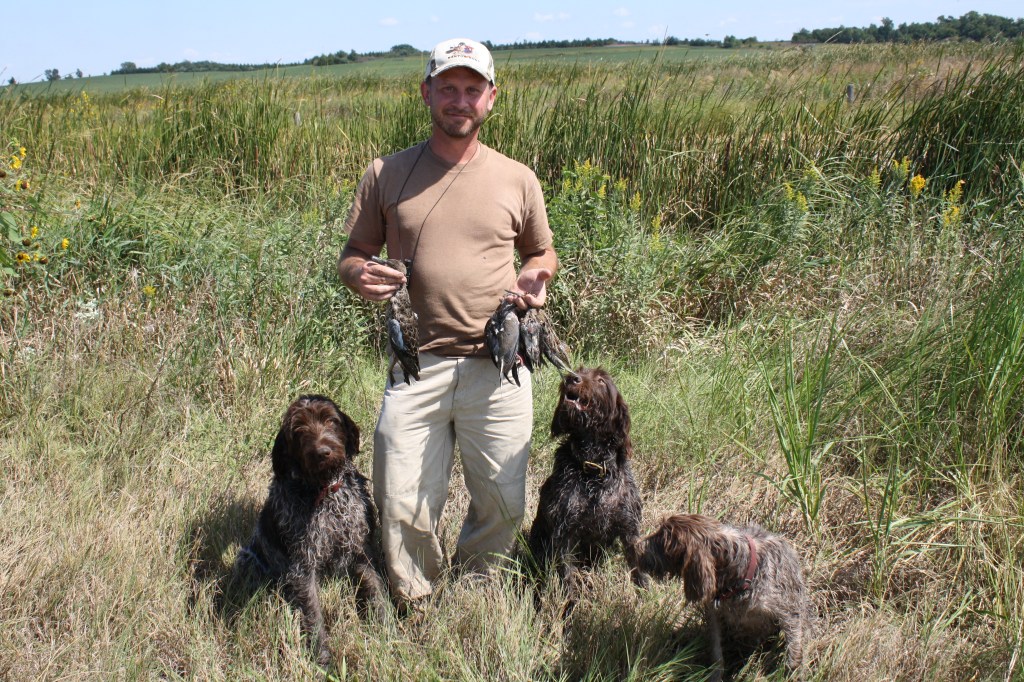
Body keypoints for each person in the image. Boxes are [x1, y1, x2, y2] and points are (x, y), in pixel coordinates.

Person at [337, 37, 558, 607]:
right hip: (419, 365)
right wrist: (359, 275)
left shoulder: (517, 178)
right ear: (426, 93)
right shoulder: (387, 173)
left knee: (503, 500)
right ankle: (416, 598)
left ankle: (477, 592)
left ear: (491, 98)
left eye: (472, 89)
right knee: (400, 496)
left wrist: (536, 275)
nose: (460, 100)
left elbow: (541, 252)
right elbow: (354, 253)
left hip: (498, 366)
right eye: (448, 88)